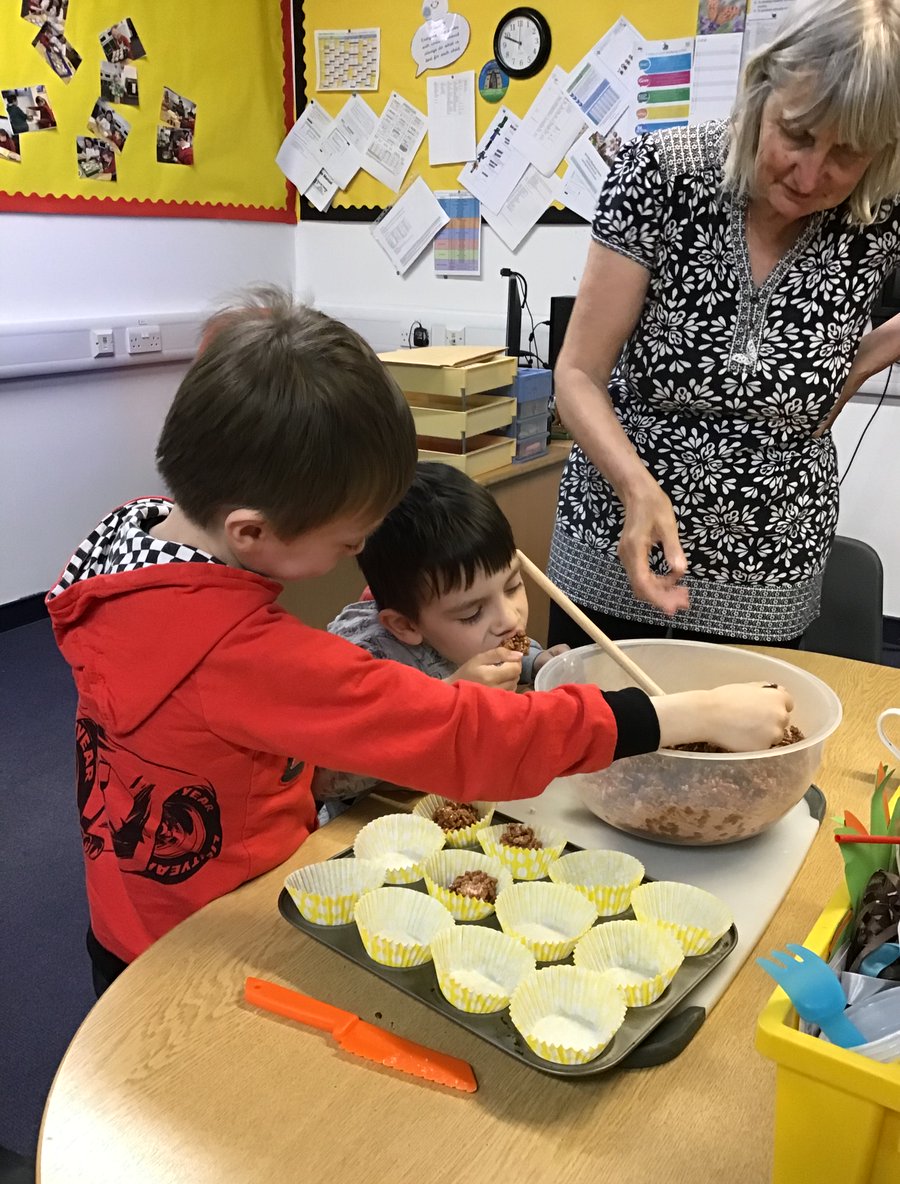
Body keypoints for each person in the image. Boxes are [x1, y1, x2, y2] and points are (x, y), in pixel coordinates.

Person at [46, 289, 794, 997]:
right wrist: (684, 717)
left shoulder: (131, 548)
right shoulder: (239, 654)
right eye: (349, 541)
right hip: (212, 934)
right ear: (250, 532)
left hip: (125, 916)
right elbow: (466, 737)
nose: (356, 559)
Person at [548, 0, 900, 653]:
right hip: (614, 549)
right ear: (761, 92)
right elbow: (576, 374)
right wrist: (636, 487)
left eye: (845, 154)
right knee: (601, 744)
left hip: (771, 572)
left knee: (750, 753)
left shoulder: (883, 210)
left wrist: (869, 353)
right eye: (796, 133)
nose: (811, 172)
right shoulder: (661, 171)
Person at [313, 463, 571, 816]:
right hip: (375, 830)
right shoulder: (361, 658)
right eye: (471, 614)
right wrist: (446, 702)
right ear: (405, 625)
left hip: (462, 799)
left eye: (513, 586)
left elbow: (508, 647)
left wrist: (537, 662)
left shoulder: (493, 626)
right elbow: (323, 778)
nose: (510, 618)